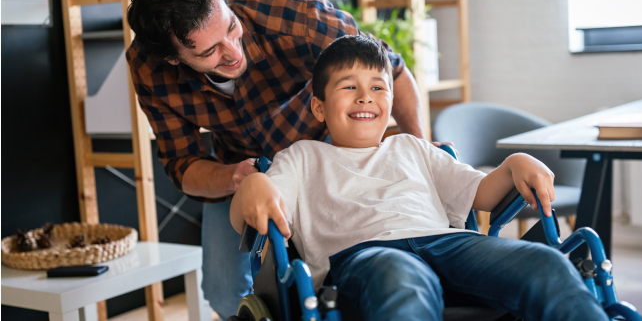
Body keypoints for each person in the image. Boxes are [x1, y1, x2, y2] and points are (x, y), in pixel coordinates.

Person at [125, 0, 432, 318]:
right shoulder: (148, 68)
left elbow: (391, 70)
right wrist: (236, 178)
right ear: (171, 58)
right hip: (238, 170)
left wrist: (421, 149)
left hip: (325, 153)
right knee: (224, 293)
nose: (233, 52)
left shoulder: (291, 14)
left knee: (339, 272)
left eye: (232, 28)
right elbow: (184, 164)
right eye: (210, 52)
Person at [230, 35, 609, 321]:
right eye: (349, 88)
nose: (366, 98)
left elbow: (481, 194)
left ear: (391, 101)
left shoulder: (414, 148)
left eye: (378, 87)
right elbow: (253, 212)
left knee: (544, 262)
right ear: (318, 106)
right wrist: (251, 185)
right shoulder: (301, 157)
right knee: (401, 276)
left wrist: (514, 163)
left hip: (447, 244)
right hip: (364, 258)